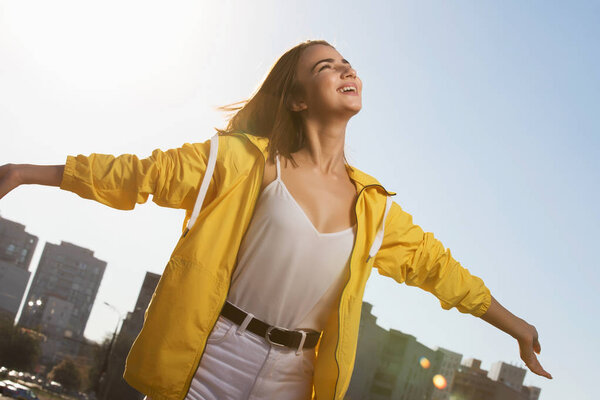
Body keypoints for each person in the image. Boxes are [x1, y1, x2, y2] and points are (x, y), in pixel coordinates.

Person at [0, 40, 551, 400]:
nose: (345, 69)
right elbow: (138, 175)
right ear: (294, 99)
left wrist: (517, 328)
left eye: (346, 63)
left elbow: (443, 273)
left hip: (295, 380)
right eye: (326, 66)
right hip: (210, 358)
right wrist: (28, 171)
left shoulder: (375, 209)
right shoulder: (243, 163)